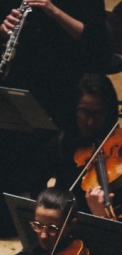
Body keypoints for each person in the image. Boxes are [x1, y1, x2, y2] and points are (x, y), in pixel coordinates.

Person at [0, 0, 109, 236]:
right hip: (26, 71)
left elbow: (93, 38)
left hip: (64, 77)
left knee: (42, 146)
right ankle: (8, 217)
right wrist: (4, 25)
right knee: (2, 136)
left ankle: (46, 218)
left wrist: (51, 9)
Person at [51, 74, 120, 217]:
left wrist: (103, 215)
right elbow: (60, 190)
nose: (90, 121)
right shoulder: (64, 142)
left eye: (98, 113)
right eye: (84, 112)